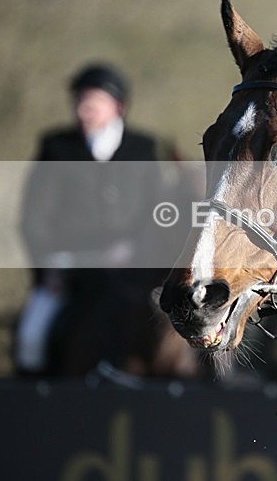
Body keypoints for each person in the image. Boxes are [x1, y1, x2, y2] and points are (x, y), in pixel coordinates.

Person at [15, 63, 198, 379]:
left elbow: (157, 212)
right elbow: (34, 218)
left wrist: (136, 250)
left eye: (92, 102)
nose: (83, 110)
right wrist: (48, 269)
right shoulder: (57, 147)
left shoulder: (143, 148)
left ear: (118, 107)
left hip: (129, 268)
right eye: (79, 102)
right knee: (31, 337)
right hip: (69, 269)